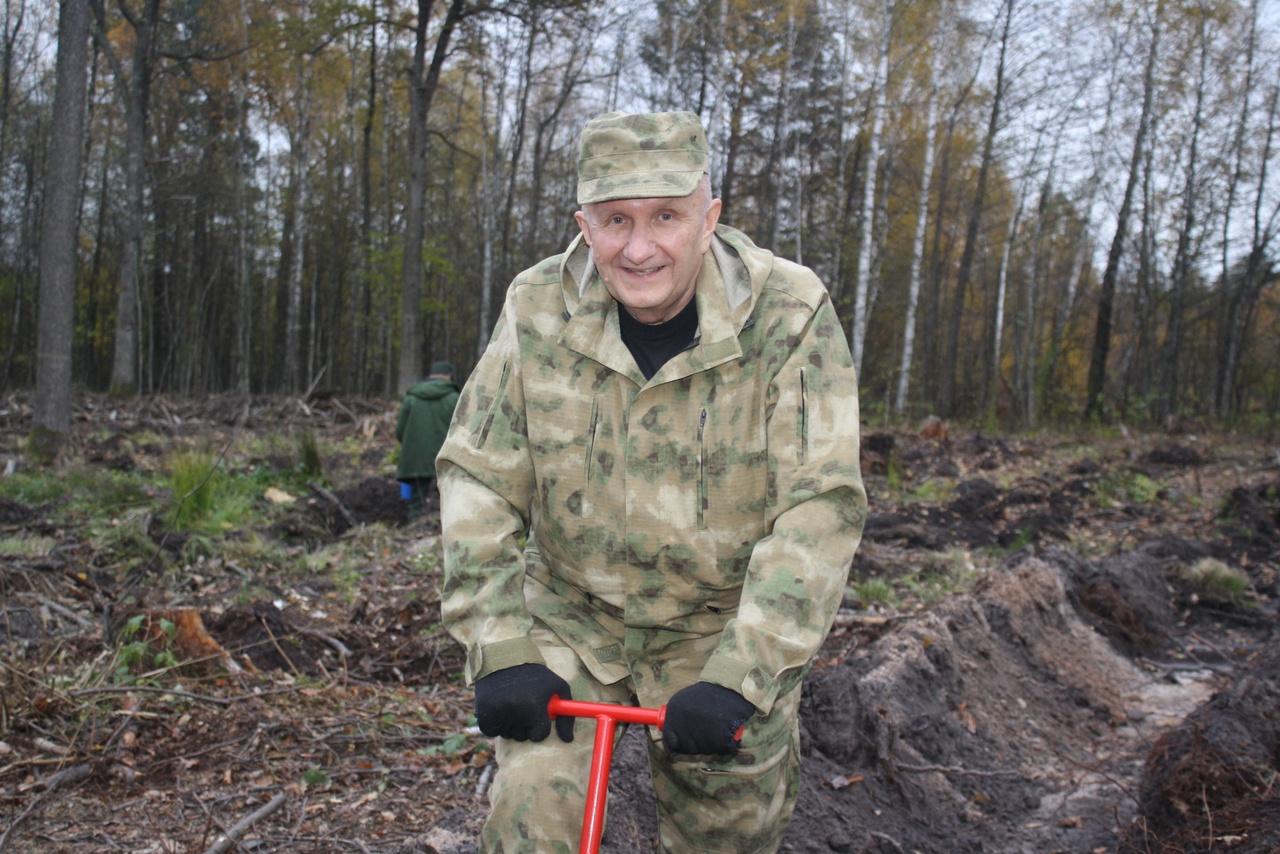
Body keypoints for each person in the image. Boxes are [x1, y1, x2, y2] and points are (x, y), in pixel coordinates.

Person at [437, 111, 865, 852]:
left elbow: (818, 506)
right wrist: (501, 647)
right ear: (584, 223)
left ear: (709, 218)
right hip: (574, 616)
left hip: (721, 626)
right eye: (615, 220)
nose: (639, 247)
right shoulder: (538, 306)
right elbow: (479, 474)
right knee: (531, 813)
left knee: (728, 832)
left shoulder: (789, 316)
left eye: (666, 216)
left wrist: (743, 673)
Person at [395, 360, 460, 521]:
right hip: (447, 460)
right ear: (450, 377)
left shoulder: (412, 398)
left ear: (431, 375)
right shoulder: (455, 398)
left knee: (416, 502)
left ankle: (413, 529)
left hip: (415, 459)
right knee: (448, 501)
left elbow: (399, 431)